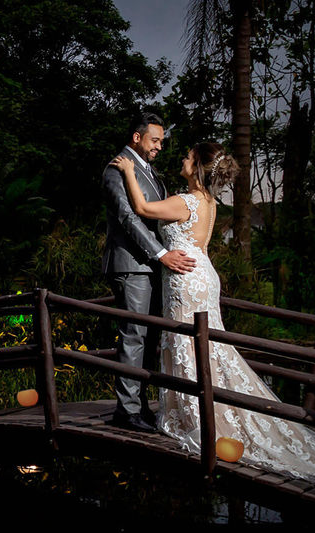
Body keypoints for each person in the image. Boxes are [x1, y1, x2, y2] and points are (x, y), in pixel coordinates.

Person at [110, 142, 315, 496]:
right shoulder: (209, 204)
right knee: (208, 347)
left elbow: (141, 207)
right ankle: (204, 410)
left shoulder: (186, 201)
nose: (181, 159)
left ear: (196, 167)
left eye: (187, 156)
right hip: (203, 275)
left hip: (186, 280)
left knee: (190, 344)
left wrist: (128, 172)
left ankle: (199, 418)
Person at [102, 113, 197, 433]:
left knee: (151, 337)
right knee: (134, 335)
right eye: (154, 140)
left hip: (153, 267)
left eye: (161, 141)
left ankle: (139, 405)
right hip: (131, 266)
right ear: (136, 138)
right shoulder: (116, 169)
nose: (159, 146)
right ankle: (126, 411)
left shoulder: (151, 173)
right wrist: (162, 254)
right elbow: (128, 218)